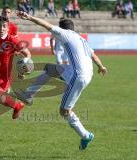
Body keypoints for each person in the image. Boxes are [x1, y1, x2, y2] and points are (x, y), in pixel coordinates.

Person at [15, 11, 107, 150]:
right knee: (49, 69)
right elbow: (93, 55)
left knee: (64, 111)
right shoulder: (81, 38)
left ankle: (86, 135)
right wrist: (101, 66)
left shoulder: (65, 34)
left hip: (78, 76)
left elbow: (46, 25)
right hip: (82, 73)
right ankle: (28, 95)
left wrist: (29, 17)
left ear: (62, 28)